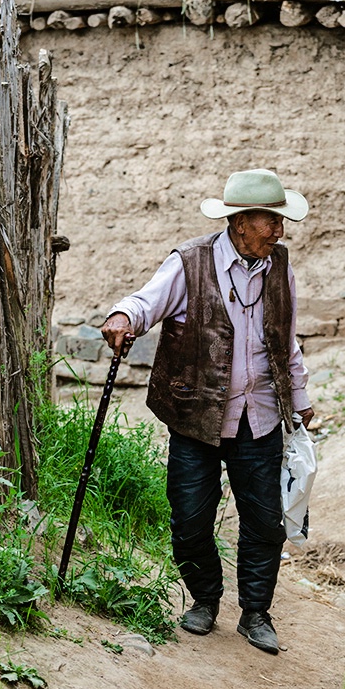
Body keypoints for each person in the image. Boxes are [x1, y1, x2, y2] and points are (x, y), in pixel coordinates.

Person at [101, 168, 314, 655]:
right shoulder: (191, 262)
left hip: (259, 417)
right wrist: (122, 316)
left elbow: (289, 341)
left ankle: (256, 612)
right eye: (271, 221)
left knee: (264, 522)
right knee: (190, 516)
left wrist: (299, 402)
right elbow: (145, 302)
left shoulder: (280, 267)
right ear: (241, 221)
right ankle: (204, 601)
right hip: (196, 418)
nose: (279, 231)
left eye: (281, 222)